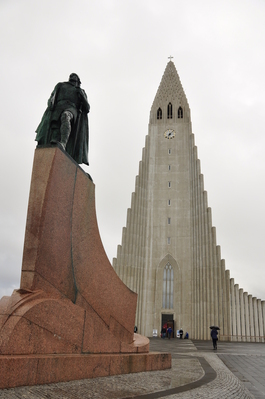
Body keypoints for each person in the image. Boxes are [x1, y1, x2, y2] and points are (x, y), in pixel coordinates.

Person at [35, 73, 90, 165]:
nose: (72, 76)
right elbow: (52, 96)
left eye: (75, 76)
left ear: (78, 81)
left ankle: (63, 143)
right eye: (71, 76)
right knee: (55, 126)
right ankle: (54, 144)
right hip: (58, 107)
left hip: (72, 109)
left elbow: (87, 108)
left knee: (65, 116)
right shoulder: (61, 85)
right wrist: (50, 102)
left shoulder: (80, 91)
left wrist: (82, 96)